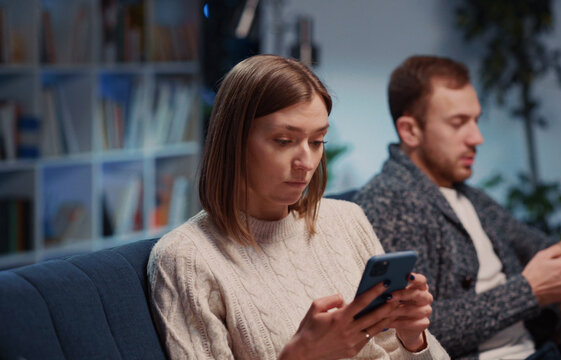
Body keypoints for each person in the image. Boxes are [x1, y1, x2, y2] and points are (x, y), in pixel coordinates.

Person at [354, 55, 561, 359]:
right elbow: (409, 331)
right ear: (410, 131)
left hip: (544, 347)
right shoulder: (389, 203)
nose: (477, 137)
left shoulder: (469, 196)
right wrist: (529, 291)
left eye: (476, 120)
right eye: (459, 123)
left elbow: (541, 248)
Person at [147, 54, 449, 360]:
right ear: (234, 141)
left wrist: (414, 341)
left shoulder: (347, 220)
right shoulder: (186, 259)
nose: (306, 163)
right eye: (283, 141)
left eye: (317, 142)